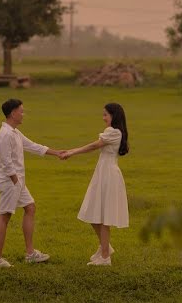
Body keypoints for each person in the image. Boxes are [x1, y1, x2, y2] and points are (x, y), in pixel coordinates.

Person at [0, 98, 63, 268]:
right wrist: (15, 180)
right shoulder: (5, 134)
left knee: (30, 207)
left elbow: (33, 146)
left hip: (18, 181)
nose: (23, 114)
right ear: (12, 113)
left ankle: (30, 253)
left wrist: (56, 152)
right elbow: (6, 160)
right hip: (10, 181)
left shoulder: (14, 132)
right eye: (21, 111)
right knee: (4, 216)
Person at [60, 103, 130, 266]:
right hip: (103, 173)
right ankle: (106, 248)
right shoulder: (116, 132)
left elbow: (94, 146)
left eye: (106, 114)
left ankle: (105, 257)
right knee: (92, 211)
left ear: (114, 115)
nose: (103, 117)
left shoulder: (112, 132)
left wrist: (71, 152)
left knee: (103, 216)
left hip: (108, 175)